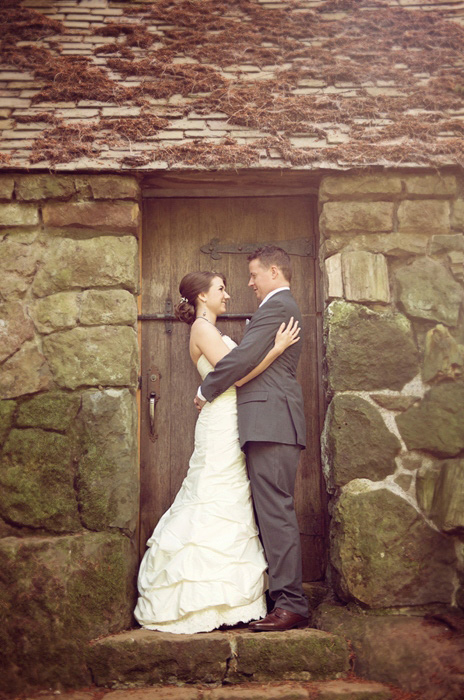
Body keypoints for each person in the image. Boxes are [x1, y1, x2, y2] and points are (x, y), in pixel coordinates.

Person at [134, 270, 301, 634]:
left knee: (229, 499)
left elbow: (233, 368)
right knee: (213, 493)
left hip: (231, 420)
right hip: (221, 422)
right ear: (201, 297)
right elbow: (237, 374)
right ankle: (198, 595)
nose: (227, 295)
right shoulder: (202, 329)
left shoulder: (209, 329)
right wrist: (277, 347)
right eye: (221, 289)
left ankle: (232, 597)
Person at [195, 246, 308, 631]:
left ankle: (291, 604)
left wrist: (206, 388)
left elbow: (242, 359)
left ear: (274, 272)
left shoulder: (278, 307)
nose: (250, 284)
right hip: (268, 421)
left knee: (276, 513)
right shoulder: (277, 307)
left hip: (273, 421)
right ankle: (282, 599)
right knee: (271, 512)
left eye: (254, 275)